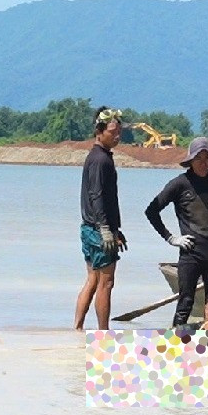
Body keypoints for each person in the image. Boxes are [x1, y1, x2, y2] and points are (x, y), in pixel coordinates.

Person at [145, 137, 208, 325]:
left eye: (207, 159)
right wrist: (171, 238)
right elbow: (152, 210)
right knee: (185, 302)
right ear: (191, 161)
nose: (203, 163)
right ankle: (175, 347)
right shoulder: (180, 183)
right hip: (190, 254)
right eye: (198, 159)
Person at [74, 106, 128, 330]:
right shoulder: (100, 160)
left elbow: (104, 198)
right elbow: (96, 195)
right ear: (99, 131)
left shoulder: (99, 157)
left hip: (90, 227)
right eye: (112, 132)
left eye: (119, 132)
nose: (117, 136)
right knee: (106, 283)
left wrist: (117, 229)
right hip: (98, 231)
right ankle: (103, 334)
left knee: (93, 280)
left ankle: (77, 329)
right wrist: (106, 229)